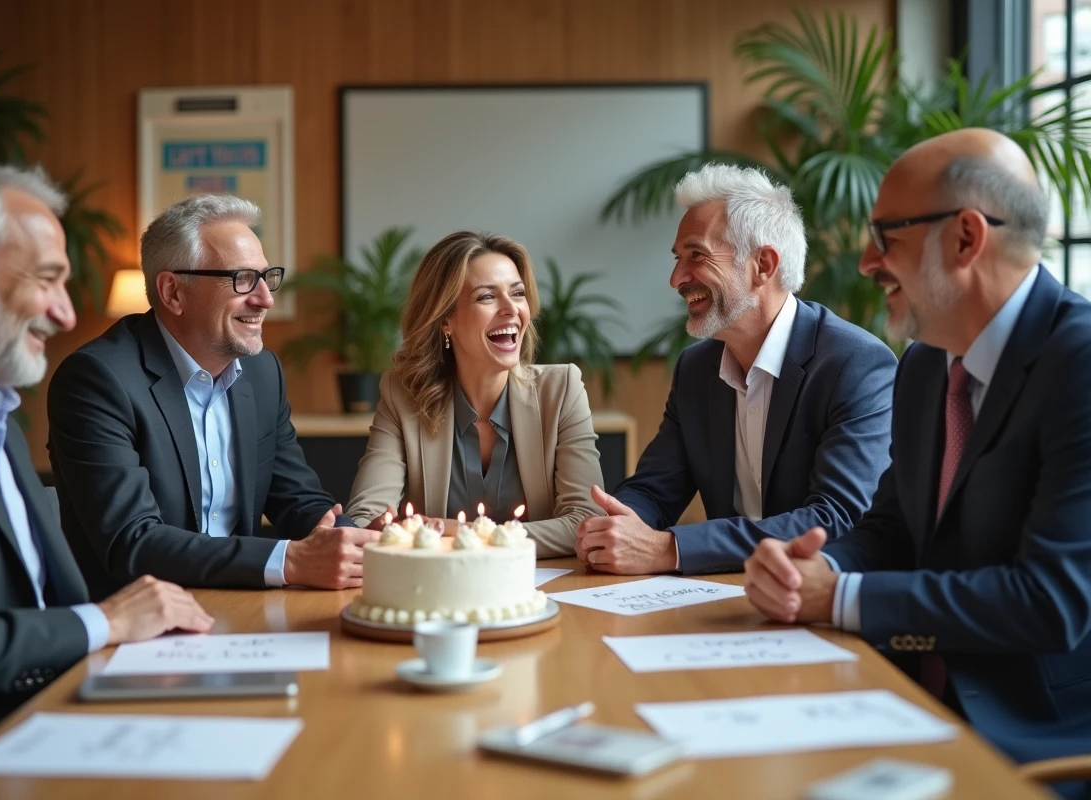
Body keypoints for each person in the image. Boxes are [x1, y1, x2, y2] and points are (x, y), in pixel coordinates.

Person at [743, 129, 1091, 783]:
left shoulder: (1080, 364)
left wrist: (842, 597)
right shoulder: (926, 365)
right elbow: (894, 529)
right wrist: (808, 570)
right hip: (896, 698)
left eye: (887, 235)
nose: (869, 262)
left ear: (966, 238)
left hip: (1031, 744)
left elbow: (1050, 602)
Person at [0, 164, 213, 789]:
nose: (66, 316)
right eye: (47, 280)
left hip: (57, 717)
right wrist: (109, 621)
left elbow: (45, 600)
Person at [48, 194, 375, 600]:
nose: (265, 299)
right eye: (242, 279)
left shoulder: (262, 372)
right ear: (173, 292)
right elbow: (132, 541)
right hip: (137, 624)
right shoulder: (98, 380)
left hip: (243, 606)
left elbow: (298, 500)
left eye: (266, 276)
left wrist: (365, 544)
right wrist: (290, 561)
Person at [576, 164, 898, 575]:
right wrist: (619, 523)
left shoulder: (855, 363)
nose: (676, 278)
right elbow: (655, 490)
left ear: (763, 265)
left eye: (696, 255)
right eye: (678, 259)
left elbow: (835, 518)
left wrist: (669, 549)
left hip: (815, 597)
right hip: (722, 593)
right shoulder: (696, 369)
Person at [345, 230, 603, 556]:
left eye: (518, 293)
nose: (511, 309)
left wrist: (456, 534)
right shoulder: (402, 396)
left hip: (543, 594)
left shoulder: (562, 390)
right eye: (486, 297)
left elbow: (586, 522)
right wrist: (479, 537)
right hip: (437, 597)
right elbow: (366, 522)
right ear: (445, 320)